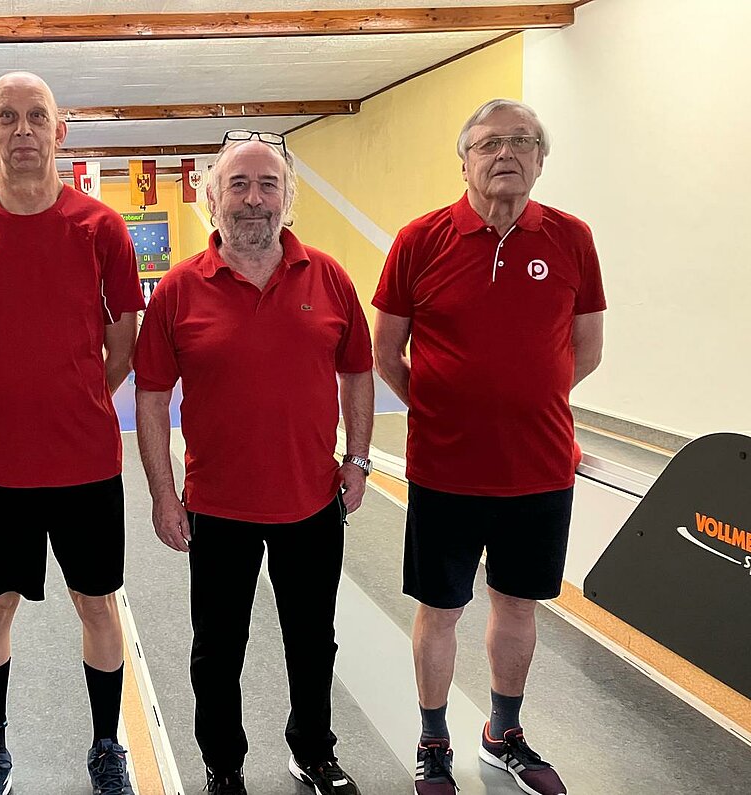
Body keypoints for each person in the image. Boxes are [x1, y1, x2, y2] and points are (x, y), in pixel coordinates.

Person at [0, 72, 144, 795]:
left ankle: (106, 746)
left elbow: (122, 342)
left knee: (97, 604)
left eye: (36, 116)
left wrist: (73, 396)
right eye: (8, 117)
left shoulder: (101, 228)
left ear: (59, 131)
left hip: (86, 464)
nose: (23, 130)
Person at [372, 99, 605, 795]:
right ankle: (433, 737)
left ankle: (503, 734)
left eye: (523, 142)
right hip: (445, 469)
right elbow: (386, 352)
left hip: (539, 468)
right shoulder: (420, 240)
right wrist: (444, 407)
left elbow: (586, 349)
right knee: (440, 609)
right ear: (465, 161)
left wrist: (525, 404)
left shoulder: (572, 238)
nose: (507, 153)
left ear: (541, 159)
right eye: (490, 143)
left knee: (518, 605)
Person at [134, 130, 374, 795]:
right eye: (237, 185)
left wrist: (357, 458)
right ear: (213, 198)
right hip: (217, 507)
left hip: (312, 500)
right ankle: (223, 767)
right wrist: (163, 494)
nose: (253, 199)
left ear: (287, 199)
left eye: (268, 185)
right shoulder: (179, 289)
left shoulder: (328, 277)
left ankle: (313, 751)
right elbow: (151, 397)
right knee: (217, 651)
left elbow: (357, 371)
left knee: (312, 640)